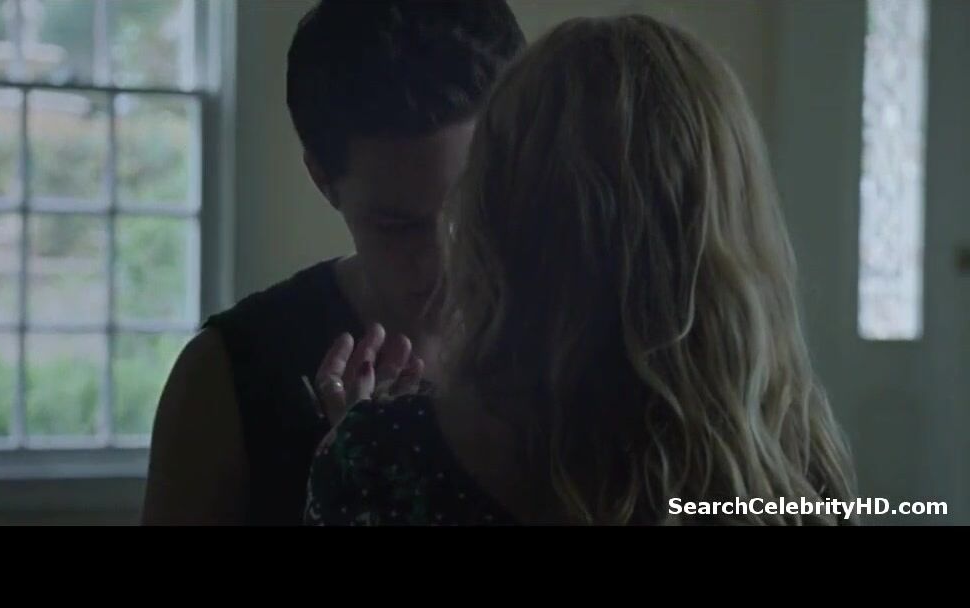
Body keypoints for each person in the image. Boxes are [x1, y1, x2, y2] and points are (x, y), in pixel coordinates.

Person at [304, 14, 859, 525]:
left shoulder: (382, 464)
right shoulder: (794, 463)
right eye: (397, 225)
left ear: (495, 215)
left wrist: (362, 454)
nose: (436, 250)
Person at [141, 0, 526, 525]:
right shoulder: (229, 379)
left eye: (475, 205)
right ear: (323, 180)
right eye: (398, 226)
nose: (447, 259)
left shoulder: (575, 344)